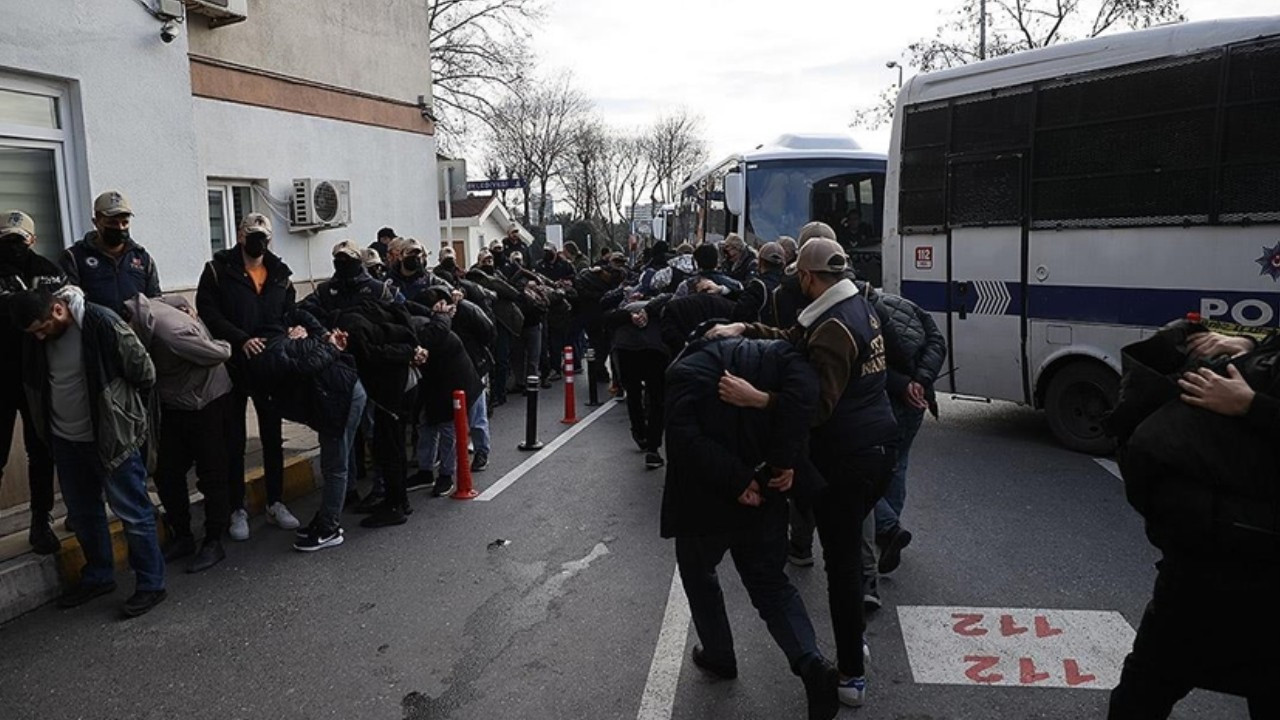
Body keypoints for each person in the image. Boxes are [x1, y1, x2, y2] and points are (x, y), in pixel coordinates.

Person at [707, 238, 898, 708]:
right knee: (849, 553)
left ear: (810, 278)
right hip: (878, 445)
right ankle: (854, 640)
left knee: (842, 565)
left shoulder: (834, 325)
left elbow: (814, 409)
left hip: (849, 456)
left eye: (800, 278)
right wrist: (743, 328)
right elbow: (793, 337)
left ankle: (851, 674)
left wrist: (758, 400)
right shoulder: (857, 305)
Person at [1105, 325, 1280, 719]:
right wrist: (1251, 346)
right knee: (1144, 684)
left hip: (1259, 565)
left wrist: (1250, 405)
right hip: (1204, 554)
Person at [663, 333, 839, 720]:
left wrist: (736, 480)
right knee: (772, 585)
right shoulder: (781, 359)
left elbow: (682, 438)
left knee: (699, 575)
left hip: (705, 501)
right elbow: (801, 402)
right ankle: (810, 661)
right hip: (766, 493)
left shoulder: (686, 369)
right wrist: (783, 462)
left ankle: (719, 653)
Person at [12, 286, 165, 617]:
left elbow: (144, 373)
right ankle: (99, 576)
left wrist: (122, 415)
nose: (39, 338)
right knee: (83, 515)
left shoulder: (100, 323)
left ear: (57, 311)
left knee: (134, 513)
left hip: (112, 440)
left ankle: (151, 584)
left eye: (41, 329)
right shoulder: (35, 339)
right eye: (33, 334)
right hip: (66, 441)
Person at [196, 212, 314, 541]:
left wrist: (297, 327)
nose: (258, 240)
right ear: (239, 234)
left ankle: (276, 502)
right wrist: (239, 339)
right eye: (252, 233)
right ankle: (238, 507)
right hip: (234, 366)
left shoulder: (279, 274)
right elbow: (208, 312)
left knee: (272, 437)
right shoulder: (218, 270)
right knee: (233, 440)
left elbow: (289, 311)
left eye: (264, 235)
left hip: (270, 365)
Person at [122, 294, 233, 573]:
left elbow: (220, 353)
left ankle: (213, 539)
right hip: (173, 402)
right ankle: (182, 535)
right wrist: (186, 307)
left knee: (211, 471)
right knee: (166, 471)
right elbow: (175, 297)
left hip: (206, 400)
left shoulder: (173, 335)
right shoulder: (138, 309)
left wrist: (210, 337)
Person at [245, 329, 366, 552]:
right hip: (334, 394)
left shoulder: (274, 364)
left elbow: (303, 369)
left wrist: (330, 346)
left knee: (335, 466)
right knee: (338, 459)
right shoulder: (276, 348)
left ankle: (329, 528)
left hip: (339, 399)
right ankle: (328, 515)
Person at [0, 211, 63, 554]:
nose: (13, 245)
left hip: (38, 378)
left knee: (41, 450)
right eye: (6, 239)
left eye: (19, 239)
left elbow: (62, 315)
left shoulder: (49, 272)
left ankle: (41, 521)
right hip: (1, 379)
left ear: (32, 239)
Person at [334, 302, 428, 528]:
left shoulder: (351, 327)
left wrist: (408, 353)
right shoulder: (380, 314)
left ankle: (394, 505)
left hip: (391, 391)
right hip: (404, 384)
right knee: (392, 446)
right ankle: (398, 500)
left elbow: (370, 355)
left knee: (389, 448)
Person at [61, 191, 161, 315]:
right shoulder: (74, 257)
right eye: (112, 223)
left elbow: (156, 301)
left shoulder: (143, 258)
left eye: (125, 222)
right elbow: (68, 302)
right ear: (96, 222)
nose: (120, 228)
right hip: (95, 330)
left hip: (136, 331)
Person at [732, 242, 786, 324]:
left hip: (759, 333)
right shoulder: (787, 285)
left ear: (760, 262)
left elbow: (738, 314)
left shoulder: (758, 286)